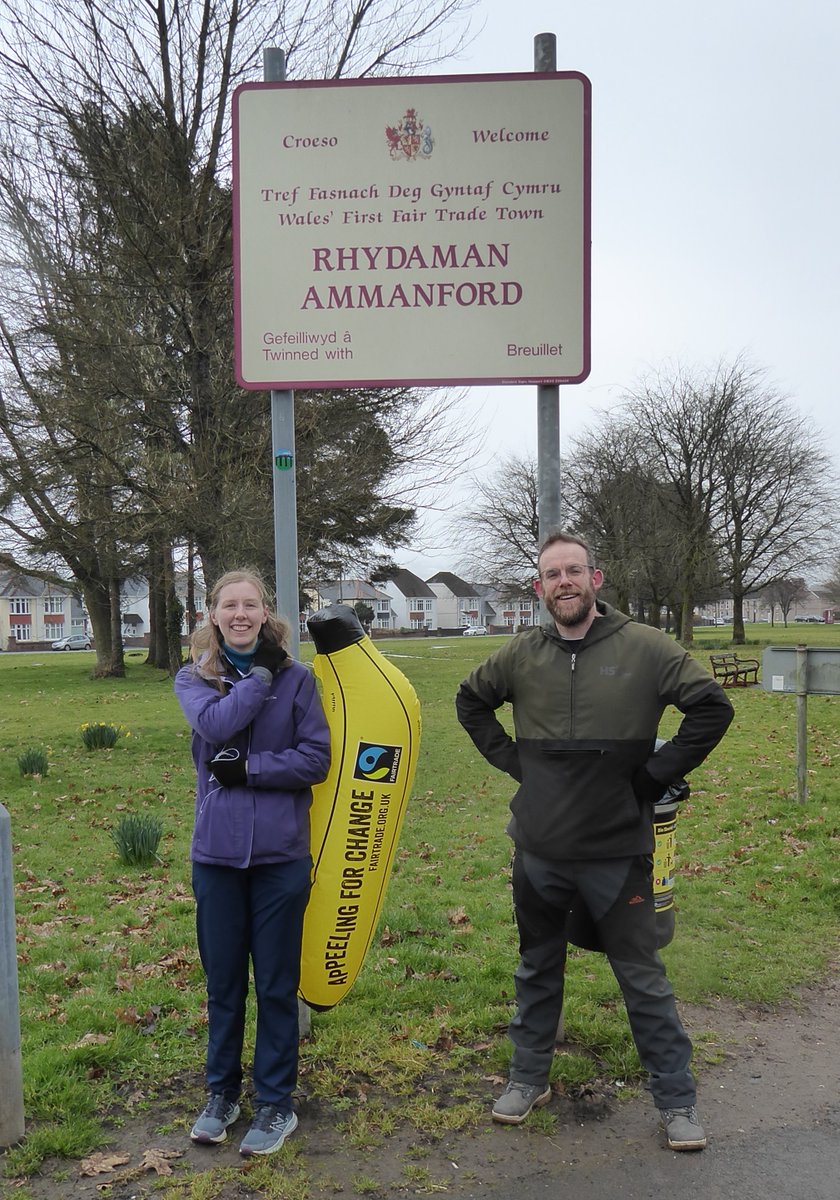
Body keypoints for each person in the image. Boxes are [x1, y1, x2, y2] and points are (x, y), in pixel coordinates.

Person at [455, 531, 734, 1151]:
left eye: (573, 571)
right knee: (537, 968)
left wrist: (653, 775)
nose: (564, 582)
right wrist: (515, 764)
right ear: (540, 588)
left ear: (595, 579)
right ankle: (528, 1078)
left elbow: (712, 709)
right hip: (540, 850)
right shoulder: (520, 655)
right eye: (552, 575)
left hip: (617, 852)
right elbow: (471, 702)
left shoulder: (646, 648)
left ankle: (677, 1101)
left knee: (643, 978)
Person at [174, 569, 330, 1157]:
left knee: (276, 982)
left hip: (279, 858)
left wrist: (253, 770)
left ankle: (275, 1103)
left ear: (265, 614)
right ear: (214, 616)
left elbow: (315, 758)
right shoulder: (195, 679)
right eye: (229, 606)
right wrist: (258, 674)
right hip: (216, 856)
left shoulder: (299, 681)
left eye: (251, 605)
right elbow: (216, 725)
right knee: (223, 985)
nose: (240, 614)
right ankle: (221, 1094)